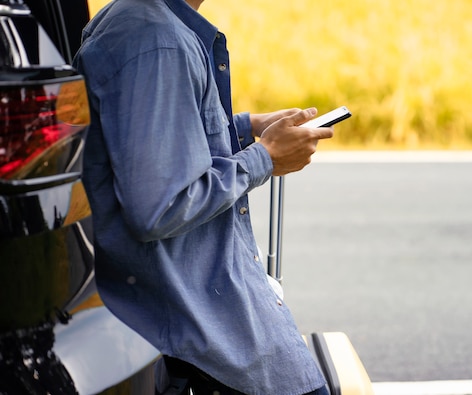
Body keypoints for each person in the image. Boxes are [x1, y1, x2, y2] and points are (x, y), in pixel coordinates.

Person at [73, 0, 333, 393]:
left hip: (193, 313)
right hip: (200, 325)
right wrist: (264, 158)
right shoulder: (158, 41)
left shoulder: (137, 19)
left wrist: (246, 128)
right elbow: (160, 206)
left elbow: (156, 140)